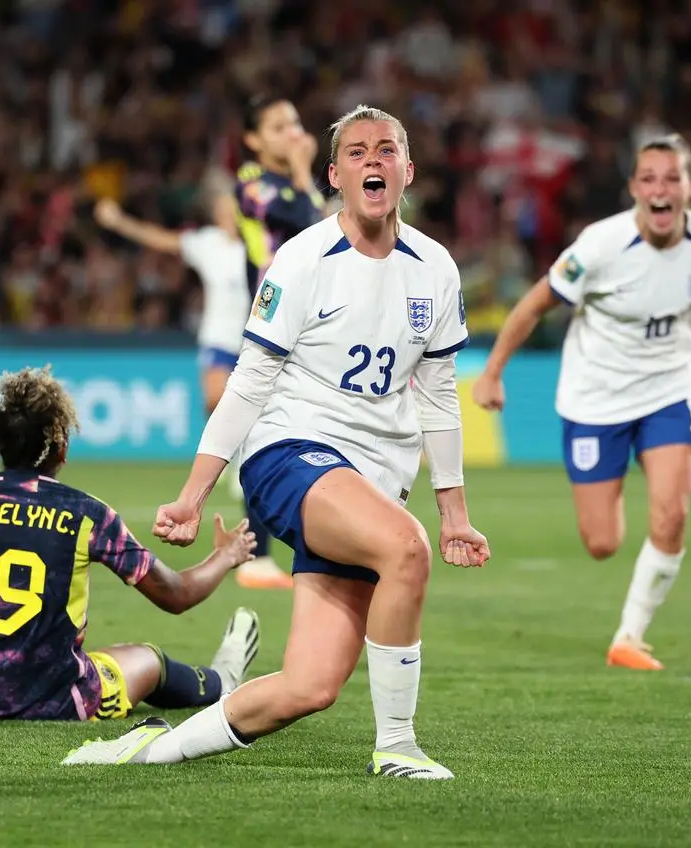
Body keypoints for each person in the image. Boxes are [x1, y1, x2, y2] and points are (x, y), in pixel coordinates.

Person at [62, 105, 490, 779]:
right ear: (334, 175)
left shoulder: (435, 268)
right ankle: (398, 747)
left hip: (371, 482)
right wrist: (192, 496)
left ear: (408, 170)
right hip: (292, 452)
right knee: (406, 549)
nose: (372, 160)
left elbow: (438, 395)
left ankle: (146, 750)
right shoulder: (303, 258)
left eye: (386, 150)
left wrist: (455, 511)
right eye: (356, 152)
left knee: (309, 688)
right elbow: (249, 384)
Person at [471, 134, 691, 671]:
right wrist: (492, 373)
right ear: (634, 189)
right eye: (650, 178)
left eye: (673, 178)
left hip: (670, 391)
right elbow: (534, 306)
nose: (661, 189)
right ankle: (613, 510)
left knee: (671, 515)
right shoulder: (600, 244)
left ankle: (629, 636)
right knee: (601, 542)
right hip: (595, 398)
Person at [0, 365, 261, 720]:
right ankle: (222, 682)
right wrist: (226, 555)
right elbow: (176, 595)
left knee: (99, 657)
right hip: (55, 699)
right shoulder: (86, 515)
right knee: (148, 660)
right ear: (62, 449)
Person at [92, 172, 253, 507]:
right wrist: (119, 221)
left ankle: (239, 461)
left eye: (233, 207)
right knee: (214, 399)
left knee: (245, 405)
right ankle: (229, 453)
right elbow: (161, 240)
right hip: (219, 336)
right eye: (223, 208)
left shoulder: (261, 244)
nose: (229, 214)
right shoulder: (207, 242)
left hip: (253, 339)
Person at [224, 93, 329, 590]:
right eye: (278, 126)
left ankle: (275, 550)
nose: (293, 133)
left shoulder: (293, 185)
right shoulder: (254, 185)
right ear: (253, 141)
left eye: (296, 122)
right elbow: (314, 227)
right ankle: (256, 554)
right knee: (263, 431)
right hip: (275, 323)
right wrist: (307, 173)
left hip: (315, 321)